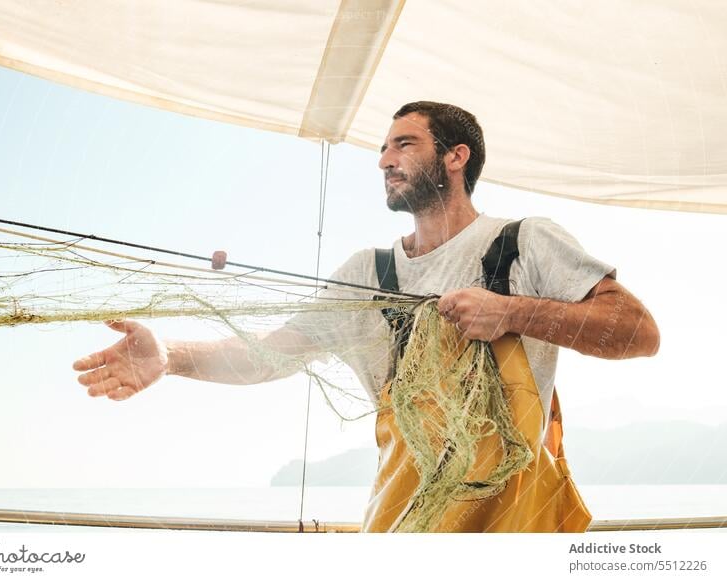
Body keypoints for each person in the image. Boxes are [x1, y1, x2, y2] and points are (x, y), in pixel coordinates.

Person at [73, 100, 660, 435]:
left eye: (403, 144)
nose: (384, 160)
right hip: (401, 520)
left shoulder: (524, 242)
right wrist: (171, 356)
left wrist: (511, 310)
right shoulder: (364, 273)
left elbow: (637, 332)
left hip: (511, 526)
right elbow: (269, 355)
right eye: (382, 149)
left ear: (456, 157)